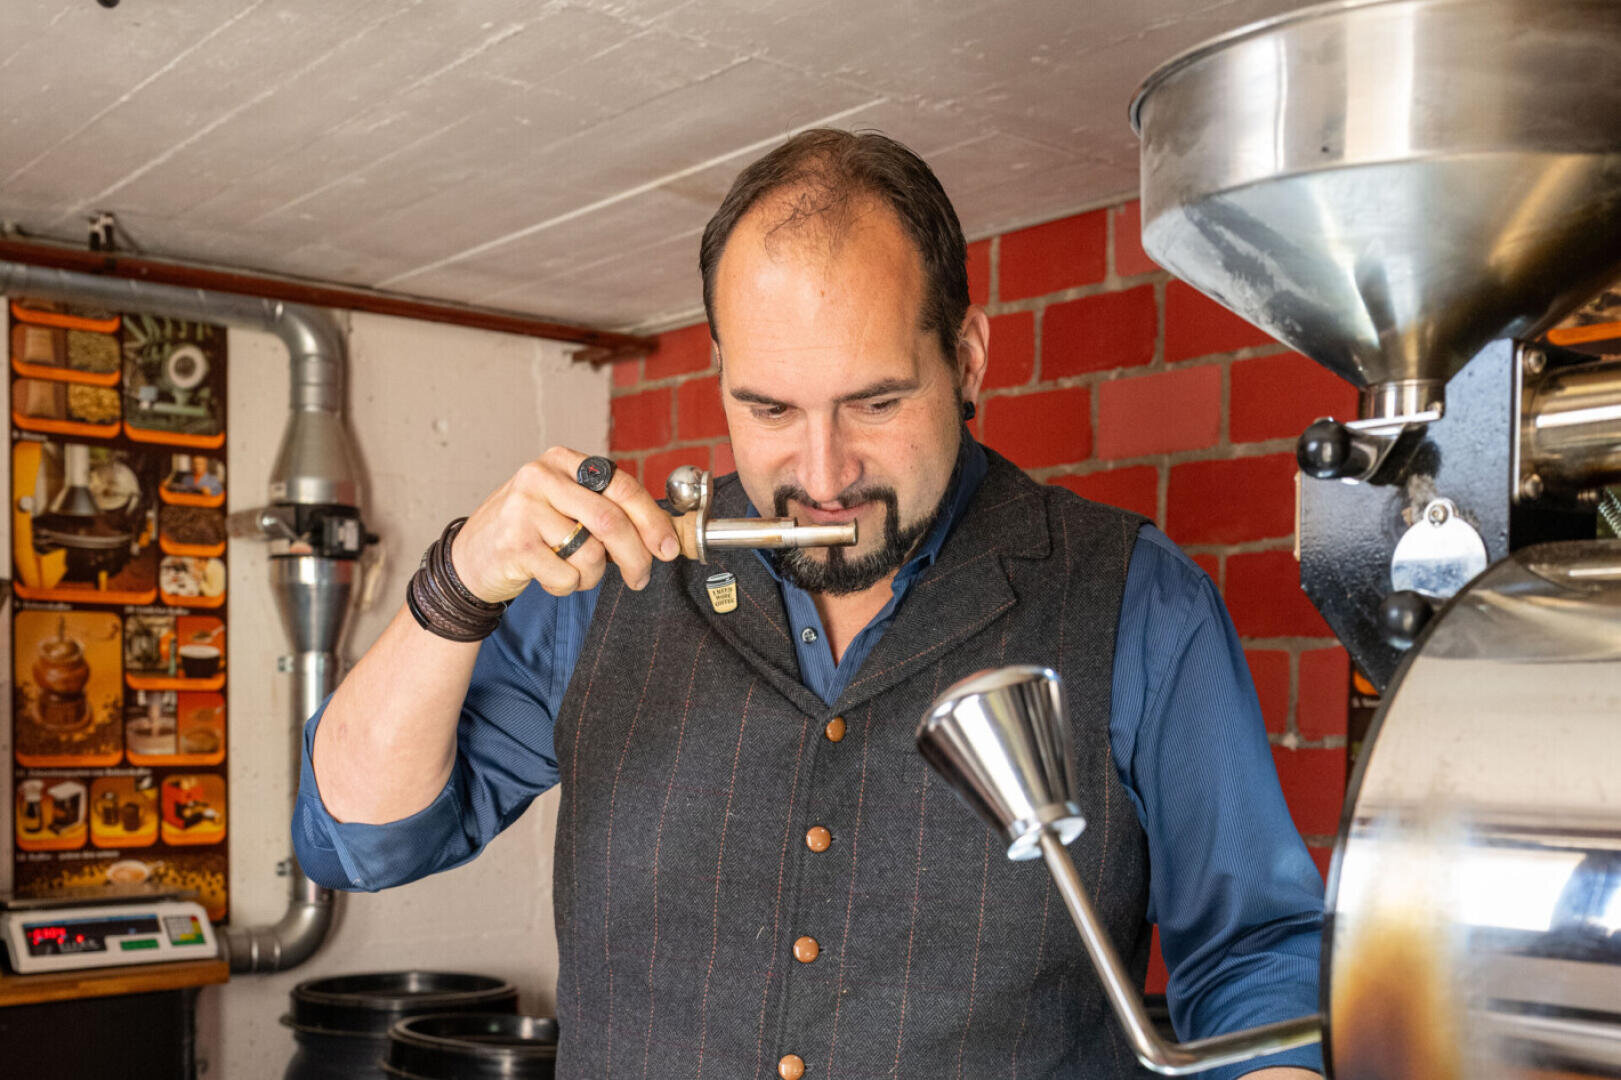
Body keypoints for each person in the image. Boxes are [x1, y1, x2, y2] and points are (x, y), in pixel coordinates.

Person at [294, 129, 1324, 1080]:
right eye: (770, 408)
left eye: (875, 402)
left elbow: (1253, 954)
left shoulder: (1136, 601)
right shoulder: (605, 588)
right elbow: (360, 837)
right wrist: (458, 586)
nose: (824, 472)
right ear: (722, 379)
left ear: (965, 360)